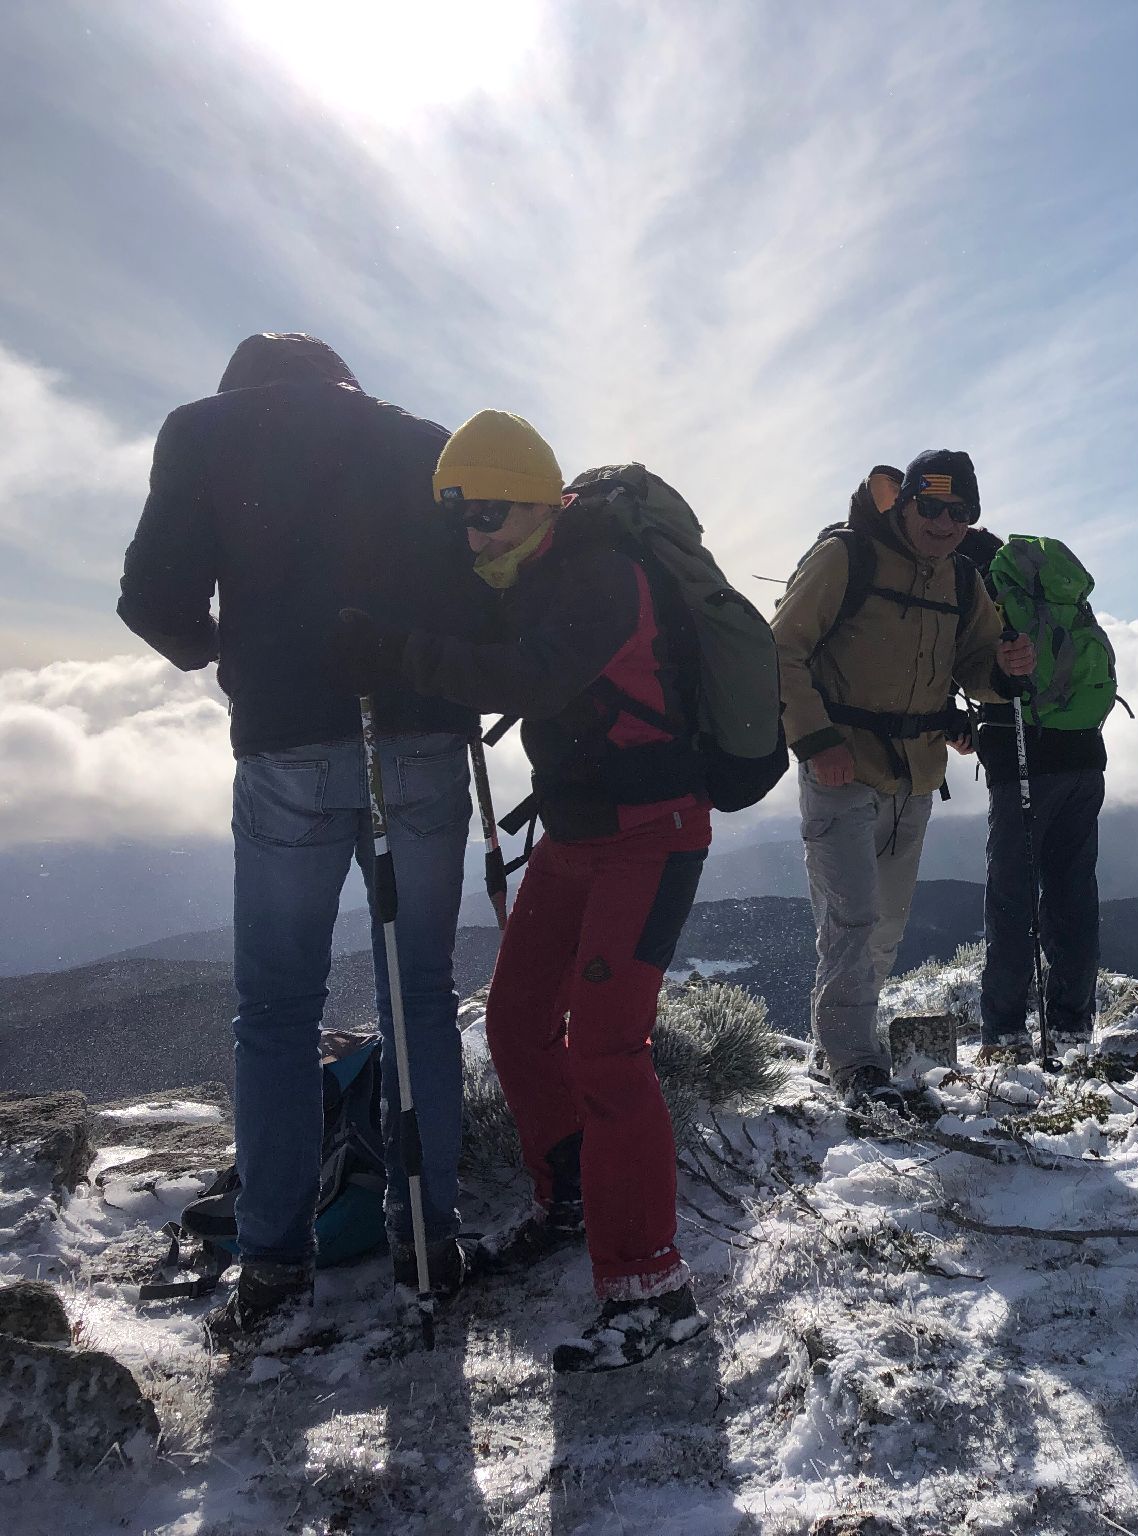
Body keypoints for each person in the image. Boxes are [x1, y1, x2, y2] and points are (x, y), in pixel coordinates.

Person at [117, 333, 488, 1350]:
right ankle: (429, 1240)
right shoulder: (423, 439)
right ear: (342, 378)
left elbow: (153, 601)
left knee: (278, 1008)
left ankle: (275, 1262)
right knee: (419, 995)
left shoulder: (205, 434)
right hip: (422, 740)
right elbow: (478, 593)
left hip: (287, 748)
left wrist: (225, 648)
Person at [332, 410, 710, 1372]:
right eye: (459, 518)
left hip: (652, 833)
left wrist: (395, 651)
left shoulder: (600, 575)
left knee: (608, 1051)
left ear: (541, 502)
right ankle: (571, 1194)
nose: (473, 536)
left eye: (487, 513)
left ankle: (653, 1287)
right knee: (515, 1020)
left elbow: (530, 678)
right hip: (579, 834)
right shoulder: (527, 572)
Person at [772, 450, 1035, 1112]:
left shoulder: (961, 578)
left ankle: (836, 1049)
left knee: (884, 925)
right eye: (931, 507)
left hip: (916, 774)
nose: (943, 523)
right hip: (841, 767)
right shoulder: (847, 557)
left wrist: (1005, 670)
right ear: (906, 502)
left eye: (959, 512)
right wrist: (816, 740)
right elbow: (780, 649)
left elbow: (976, 660)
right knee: (852, 919)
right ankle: (855, 1066)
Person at [971, 537, 1111, 1061]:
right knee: (1074, 893)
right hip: (1085, 757)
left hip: (1025, 761)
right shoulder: (1058, 592)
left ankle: (1005, 1033)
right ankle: (1073, 1026)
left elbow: (977, 670)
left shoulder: (986, 590)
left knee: (1013, 899)